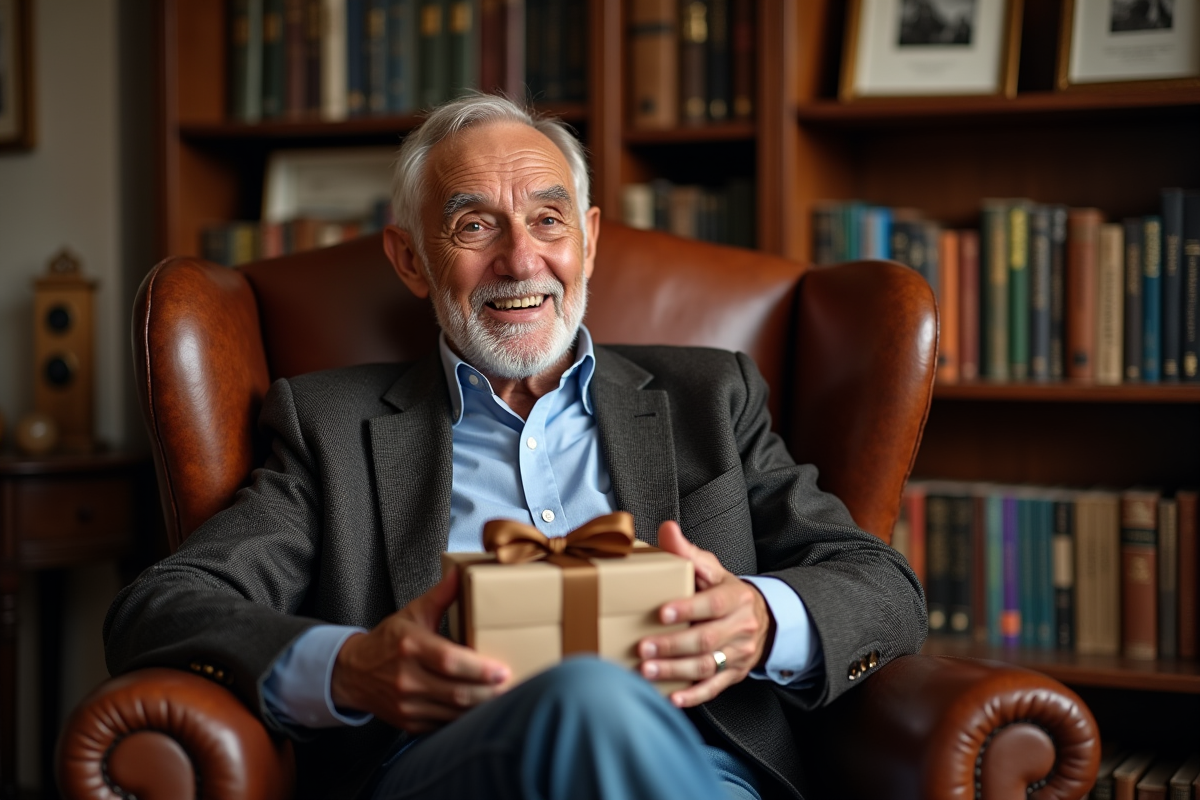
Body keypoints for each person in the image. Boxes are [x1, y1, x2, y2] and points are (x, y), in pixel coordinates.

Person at [104, 95, 926, 800]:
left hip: (706, 767)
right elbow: (164, 606)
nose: (521, 259)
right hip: (450, 765)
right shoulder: (327, 425)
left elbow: (880, 583)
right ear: (412, 260)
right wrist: (353, 666)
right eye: (473, 226)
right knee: (587, 696)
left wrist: (759, 618)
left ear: (589, 239)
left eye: (546, 218)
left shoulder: (711, 398)